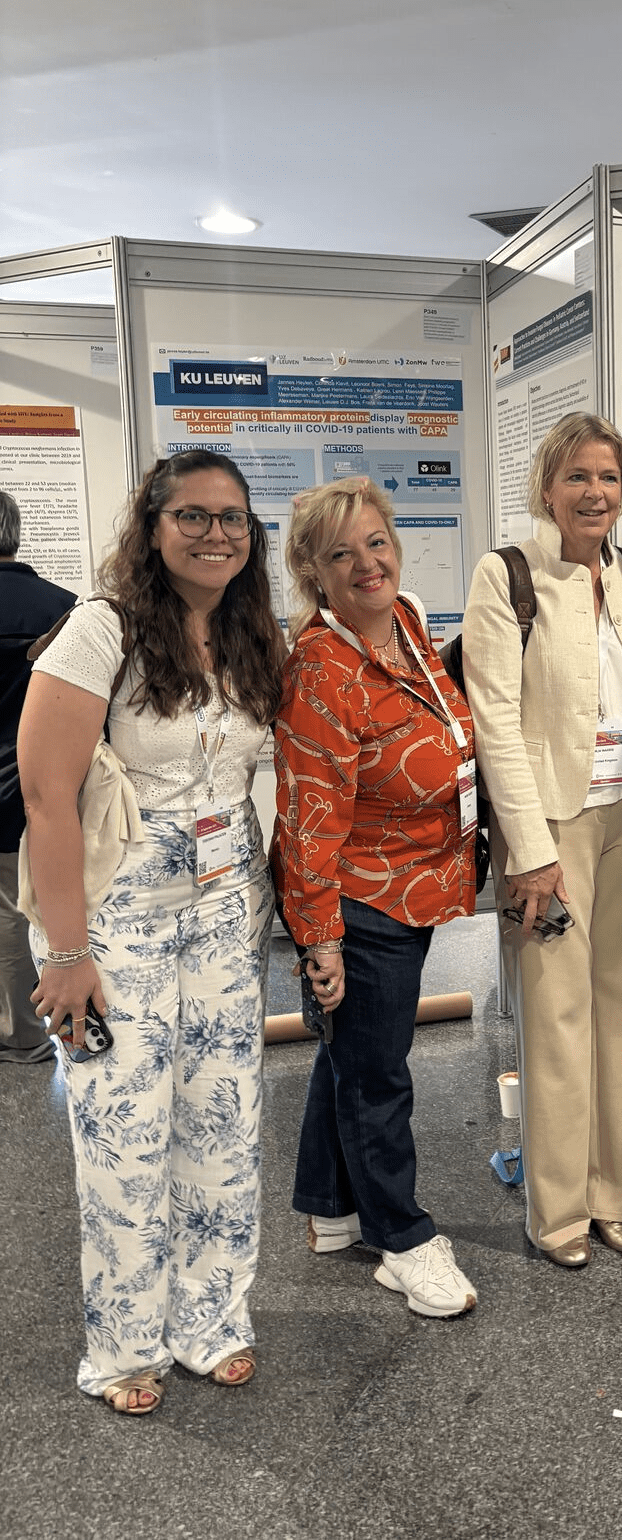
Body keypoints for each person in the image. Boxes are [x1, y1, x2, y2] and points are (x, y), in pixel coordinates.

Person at [18, 450, 284, 1413]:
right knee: (124, 1133)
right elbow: (46, 798)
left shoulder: (252, 630)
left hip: (225, 907)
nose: (216, 533)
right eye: (193, 516)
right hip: (118, 914)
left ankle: (210, 1319)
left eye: (233, 517)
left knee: (224, 1120)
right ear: (154, 525)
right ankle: (124, 1344)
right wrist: (67, 954)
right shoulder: (103, 628)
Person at [462, 413, 622, 1268]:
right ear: (547, 486)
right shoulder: (508, 574)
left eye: (608, 477)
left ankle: (621, 1195)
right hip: (554, 824)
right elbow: (495, 720)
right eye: (577, 476)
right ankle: (558, 1212)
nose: (594, 492)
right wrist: (529, 847)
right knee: (556, 1016)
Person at [272, 477, 478, 1320]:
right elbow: (307, 819)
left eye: (377, 542)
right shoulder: (320, 668)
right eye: (341, 553)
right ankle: (402, 1236)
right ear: (314, 573)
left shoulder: (406, 623)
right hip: (363, 898)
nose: (367, 563)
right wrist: (319, 939)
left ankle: (331, 1208)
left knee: (352, 1052)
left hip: (417, 882)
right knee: (378, 1075)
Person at [0, 490, 75, 1064]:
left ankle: (20, 1033)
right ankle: (32, 1032)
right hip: (40, 786)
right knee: (29, 908)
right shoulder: (65, 608)